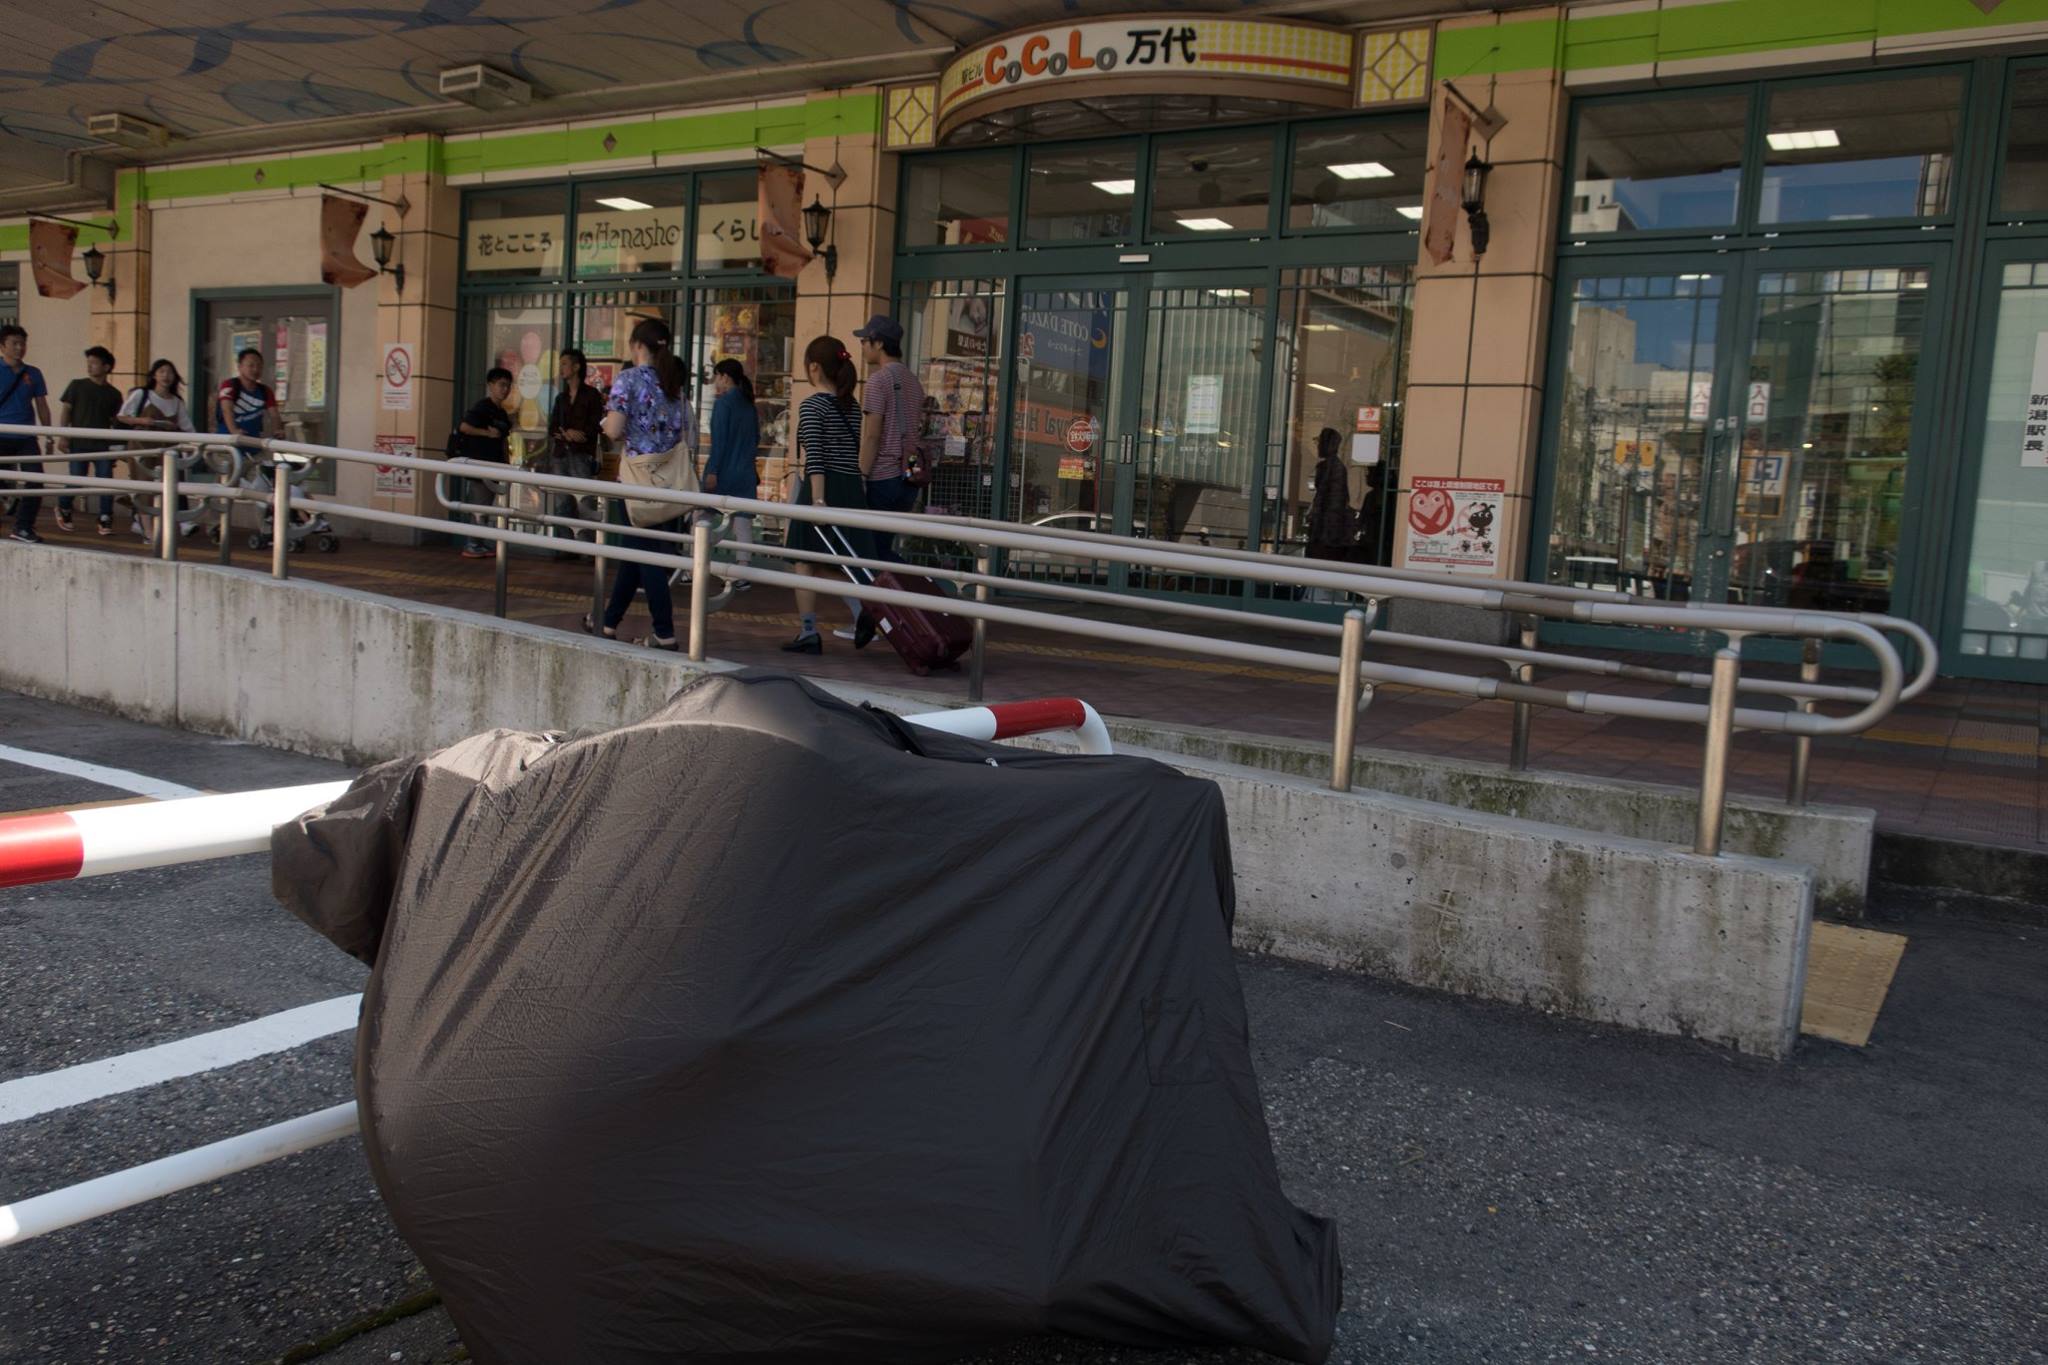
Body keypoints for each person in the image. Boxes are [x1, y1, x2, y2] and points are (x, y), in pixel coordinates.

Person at [594, 317, 692, 649]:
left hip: (636, 478)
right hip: (668, 478)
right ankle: (608, 622)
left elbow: (613, 430)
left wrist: (608, 421)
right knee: (638, 549)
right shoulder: (673, 383)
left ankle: (664, 632)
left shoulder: (628, 379)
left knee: (645, 553)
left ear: (638, 346)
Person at [781, 337, 873, 655]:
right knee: (837, 561)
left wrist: (817, 502)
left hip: (822, 487)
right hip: (850, 487)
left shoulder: (811, 406)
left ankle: (809, 631)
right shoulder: (852, 407)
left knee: (804, 560)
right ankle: (865, 606)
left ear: (814, 367)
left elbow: (816, 459)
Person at [854, 314, 925, 563]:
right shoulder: (914, 382)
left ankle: (912, 584)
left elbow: (873, 436)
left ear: (879, 343)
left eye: (865, 341)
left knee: (872, 552)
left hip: (883, 477)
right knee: (883, 546)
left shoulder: (878, 381)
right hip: (909, 476)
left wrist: (862, 476)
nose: (862, 346)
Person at [116, 358, 197, 540]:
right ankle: (148, 530)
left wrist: (194, 444)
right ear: (154, 375)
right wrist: (143, 421)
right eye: (161, 372)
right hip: (142, 446)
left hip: (167, 448)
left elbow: (188, 428)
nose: (166, 376)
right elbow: (122, 416)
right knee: (144, 485)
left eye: (170, 372)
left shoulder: (177, 402)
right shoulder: (142, 394)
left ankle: (152, 523)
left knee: (168, 485)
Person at [54, 347, 123, 535]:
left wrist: (117, 446)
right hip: (78, 442)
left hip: (102, 444)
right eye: (88, 362)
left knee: (106, 480)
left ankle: (105, 516)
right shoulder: (77, 385)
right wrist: (63, 435)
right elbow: (66, 411)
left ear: (106, 367)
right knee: (77, 478)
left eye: (94, 363)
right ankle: (64, 506)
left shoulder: (114, 394)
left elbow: (115, 420)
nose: (89, 366)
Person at [704, 357, 759, 585]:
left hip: (723, 470)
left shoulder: (723, 404)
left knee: (702, 516)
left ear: (725, 377)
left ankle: (694, 566)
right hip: (745, 471)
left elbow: (719, 442)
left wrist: (712, 471)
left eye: (717, 376)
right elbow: (756, 439)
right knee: (742, 521)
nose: (716, 381)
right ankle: (743, 572)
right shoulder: (749, 405)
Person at [542, 348, 604, 546]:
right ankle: (565, 546)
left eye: (564, 364)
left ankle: (586, 547)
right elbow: (552, 428)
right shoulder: (561, 398)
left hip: (581, 454)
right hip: (561, 454)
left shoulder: (592, 395)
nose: (561, 368)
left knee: (585, 501)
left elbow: (595, 425)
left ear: (576, 367)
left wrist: (578, 434)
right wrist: (567, 433)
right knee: (562, 502)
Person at [1, 324, 54, 544]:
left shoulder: (33, 373)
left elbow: (42, 405)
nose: (19, 348)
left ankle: (23, 527)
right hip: (1, 434)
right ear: (2, 346)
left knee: (36, 480)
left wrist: (49, 434)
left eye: (22, 344)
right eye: (14, 343)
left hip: (26, 436)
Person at [453, 367, 514, 559]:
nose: (505, 389)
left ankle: (478, 542)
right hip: (481, 463)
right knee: (480, 503)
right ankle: (473, 543)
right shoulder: (482, 407)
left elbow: (503, 439)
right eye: (501, 385)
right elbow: (464, 427)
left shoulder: (501, 413)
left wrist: (507, 463)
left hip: (495, 464)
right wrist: (487, 433)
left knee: (485, 504)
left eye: (508, 386)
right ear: (490, 385)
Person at [1304, 427, 1356, 563]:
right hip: (1322, 531)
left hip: (1327, 535)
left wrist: (1326, 533)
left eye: (1320, 441)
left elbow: (1335, 504)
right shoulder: (1325, 467)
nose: (1318, 446)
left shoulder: (1335, 468)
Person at [1354, 461, 1388, 566]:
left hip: (1374, 539)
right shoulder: (1371, 495)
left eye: (1369, 472)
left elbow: (1364, 517)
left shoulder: (1377, 496)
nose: (1367, 475)